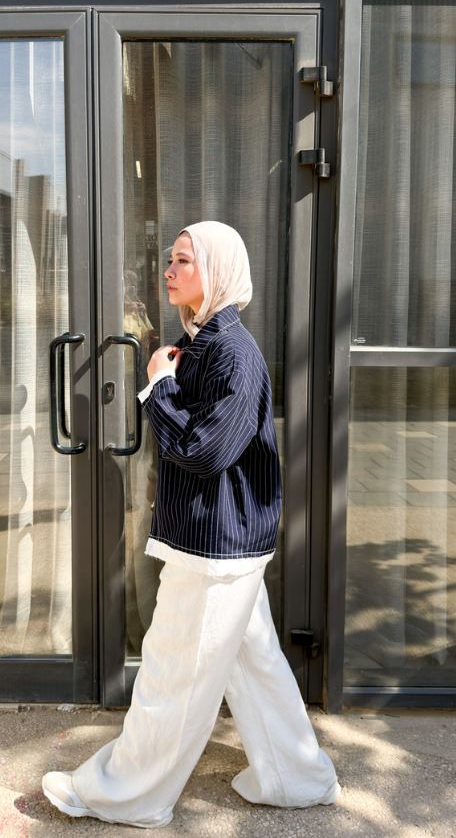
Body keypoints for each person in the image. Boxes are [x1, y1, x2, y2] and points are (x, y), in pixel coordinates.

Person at [42, 221, 341, 828]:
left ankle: (127, 796)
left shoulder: (230, 351)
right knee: (256, 668)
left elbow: (207, 452)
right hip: (224, 543)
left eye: (184, 260)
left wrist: (157, 385)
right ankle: (298, 778)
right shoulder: (207, 343)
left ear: (218, 272)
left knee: (171, 680)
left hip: (214, 549)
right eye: (172, 259)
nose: (170, 270)